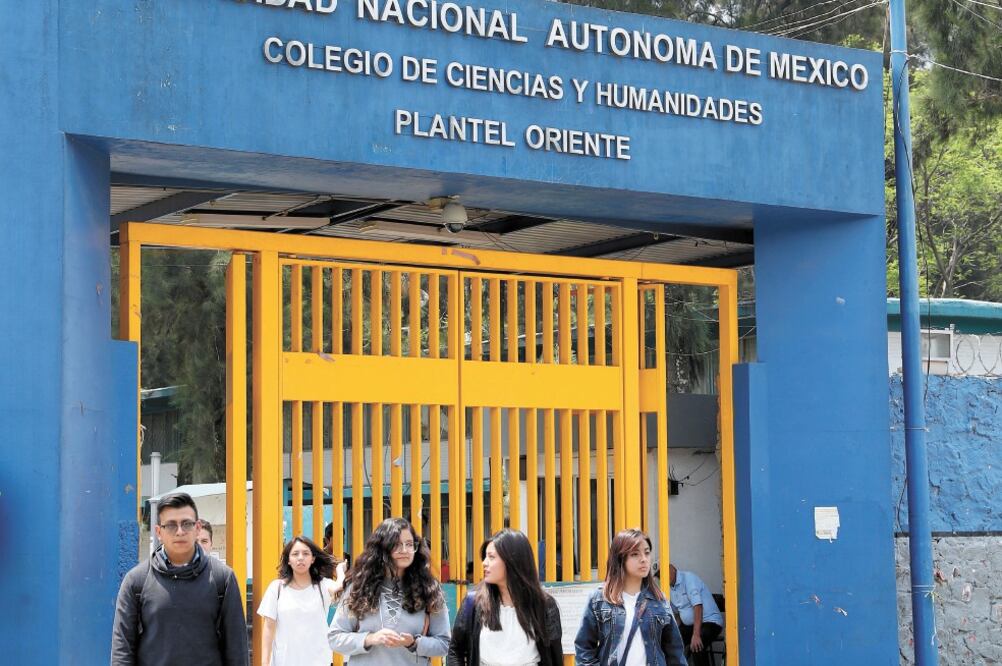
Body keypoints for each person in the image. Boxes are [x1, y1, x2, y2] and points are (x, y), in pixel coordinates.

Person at [111, 491, 248, 665]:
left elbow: (237, 649)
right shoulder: (136, 581)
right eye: (171, 525)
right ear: (159, 531)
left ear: (197, 528)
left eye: (186, 524)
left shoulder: (222, 578)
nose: (180, 531)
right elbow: (122, 650)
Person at [329, 517, 450, 665]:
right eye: (397, 545)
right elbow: (335, 637)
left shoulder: (429, 589)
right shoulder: (359, 587)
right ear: (382, 548)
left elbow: (444, 643)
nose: (405, 550)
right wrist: (369, 639)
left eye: (410, 544)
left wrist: (414, 643)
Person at [448, 529, 563, 666]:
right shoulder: (473, 602)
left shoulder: (544, 605)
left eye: (491, 557)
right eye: (485, 557)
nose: (484, 563)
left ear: (512, 561)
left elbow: (555, 657)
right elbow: (455, 651)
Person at [574, 529, 686, 666]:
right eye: (635, 554)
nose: (643, 559)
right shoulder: (600, 599)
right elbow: (583, 648)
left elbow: (674, 651)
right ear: (620, 558)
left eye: (646, 552)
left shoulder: (658, 599)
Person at [257, 535, 346, 666]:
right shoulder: (276, 588)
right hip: (284, 661)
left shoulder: (324, 586)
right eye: (295, 554)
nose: (300, 558)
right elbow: (268, 628)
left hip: (318, 661)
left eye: (305, 553)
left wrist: (340, 571)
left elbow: (340, 586)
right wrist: (264, 663)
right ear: (288, 560)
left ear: (313, 559)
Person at [668, 564, 723, 666]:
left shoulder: (688, 578)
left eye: (663, 573)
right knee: (672, 643)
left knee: (697, 643)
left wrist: (696, 635)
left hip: (710, 622)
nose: (662, 577)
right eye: (658, 575)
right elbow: (678, 615)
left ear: (672, 569)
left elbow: (698, 606)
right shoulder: (669, 589)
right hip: (691, 625)